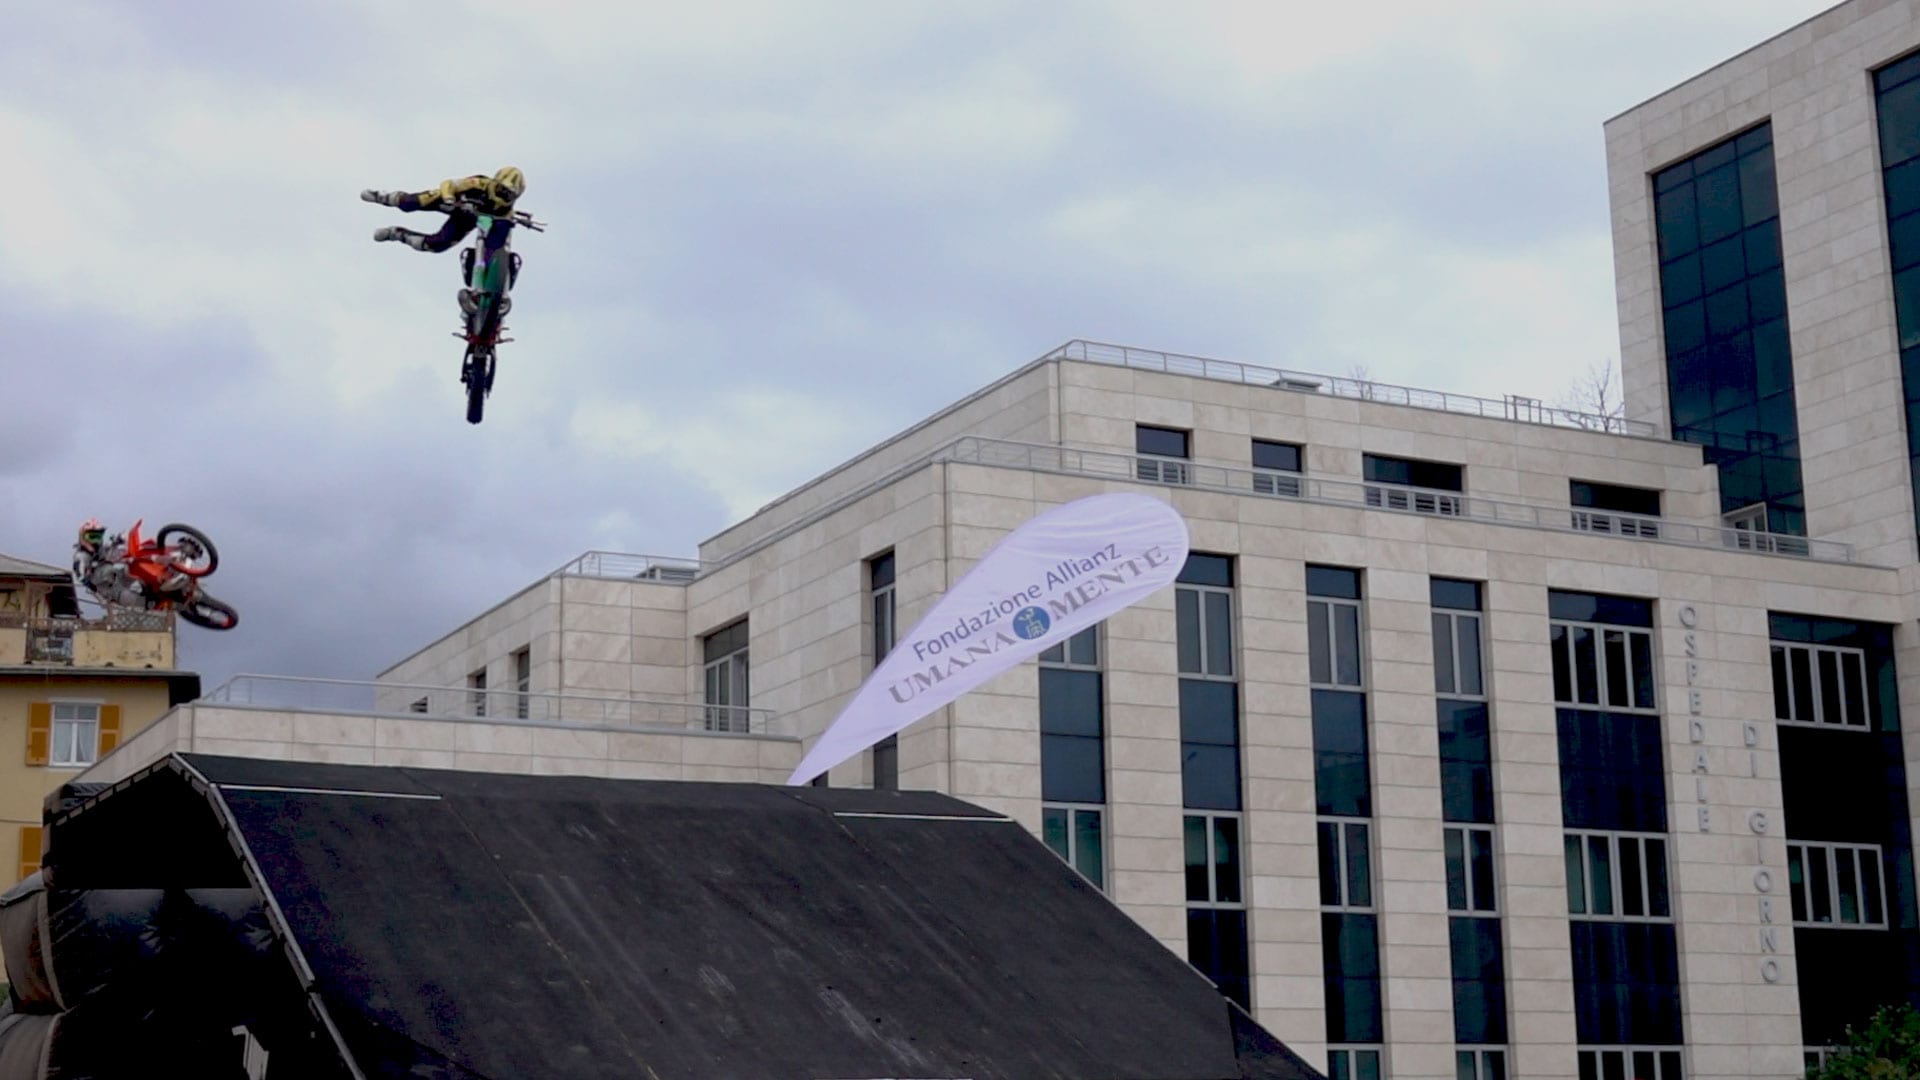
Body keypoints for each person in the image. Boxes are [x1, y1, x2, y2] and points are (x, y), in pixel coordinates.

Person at [362, 167, 527, 313]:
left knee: (437, 244)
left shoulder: (507, 211)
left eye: (510, 194)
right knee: (413, 202)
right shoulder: (478, 183)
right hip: (458, 204)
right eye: (502, 189)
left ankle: (398, 234)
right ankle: (382, 197)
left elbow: (499, 237)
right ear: (495, 181)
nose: (504, 195)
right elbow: (450, 184)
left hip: (469, 220)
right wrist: (448, 197)